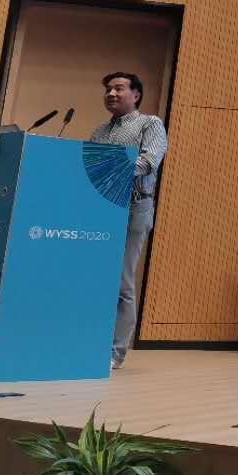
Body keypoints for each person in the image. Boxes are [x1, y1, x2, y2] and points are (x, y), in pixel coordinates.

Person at [88, 72, 168, 371]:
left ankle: (116, 352)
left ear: (136, 95)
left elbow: (147, 162)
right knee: (96, 278)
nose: (111, 93)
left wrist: (107, 168)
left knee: (122, 281)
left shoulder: (150, 123)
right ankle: (90, 342)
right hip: (101, 208)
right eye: (108, 89)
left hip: (134, 206)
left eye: (118, 88)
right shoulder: (99, 131)